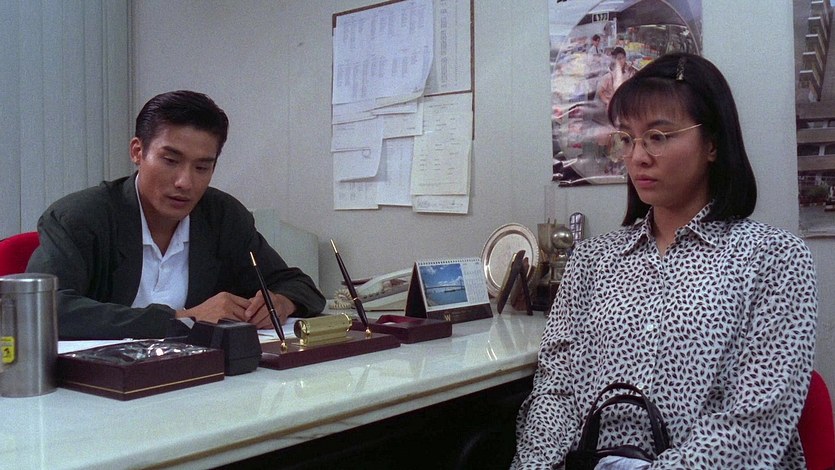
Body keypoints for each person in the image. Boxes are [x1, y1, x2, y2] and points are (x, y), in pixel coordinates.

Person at [512, 53, 817, 469]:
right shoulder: (592, 260)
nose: (637, 156)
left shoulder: (774, 258)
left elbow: (754, 420)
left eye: (658, 136)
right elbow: (556, 389)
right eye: (627, 139)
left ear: (712, 143)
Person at [27, 90, 326, 340]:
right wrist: (183, 318)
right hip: (101, 382)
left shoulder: (222, 216)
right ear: (137, 151)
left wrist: (281, 302)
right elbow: (44, 309)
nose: (185, 182)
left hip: (200, 377)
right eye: (170, 160)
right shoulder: (80, 217)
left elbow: (300, 286)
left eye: (202, 167)